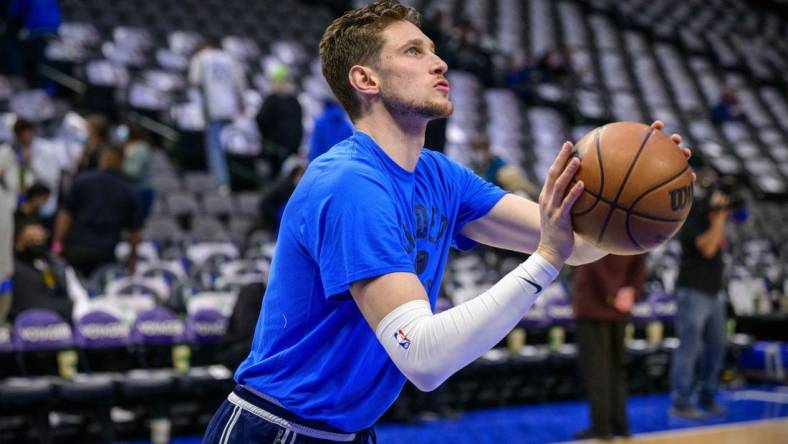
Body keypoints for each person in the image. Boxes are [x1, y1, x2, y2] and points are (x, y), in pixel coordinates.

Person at [202, 2, 689, 442]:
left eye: (434, 50)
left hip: (344, 432)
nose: (440, 63)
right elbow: (425, 359)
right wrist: (544, 262)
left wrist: (650, 206)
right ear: (366, 80)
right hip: (277, 429)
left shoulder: (440, 176)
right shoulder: (351, 183)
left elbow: (577, 242)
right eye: (414, 51)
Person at [669, 167, 730, 419]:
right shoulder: (692, 211)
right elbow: (706, 248)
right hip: (693, 290)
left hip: (714, 291)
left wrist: (722, 215)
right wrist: (719, 220)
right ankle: (681, 402)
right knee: (689, 347)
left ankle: (707, 395)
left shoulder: (713, 214)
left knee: (716, 346)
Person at [572, 254, 646, 440]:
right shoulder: (634, 225)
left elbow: (589, 259)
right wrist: (630, 292)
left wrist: (612, 295)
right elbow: (640, 262)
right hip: (621, 305)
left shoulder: (595, 225)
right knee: (616, 368)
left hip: (593, 305)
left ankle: (602, 428)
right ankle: (620, 425)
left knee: (597, 370)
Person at [52, 146, 143, 278]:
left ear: (103, 159)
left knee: (72, 290)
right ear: (122, 162)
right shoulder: (129, 191)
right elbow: (134, 232)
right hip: (105, 254)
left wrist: (56, 246)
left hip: (76, 249)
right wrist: (132, 258)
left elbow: (65, 216)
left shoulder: (83, 181)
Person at [189, 40, 246, 192]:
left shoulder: (201, 57)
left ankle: (221, 183)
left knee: (215, 147)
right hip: (230, 107)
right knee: (229, 146)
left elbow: (194, 81)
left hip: (213, 108)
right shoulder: (228, 57)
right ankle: (235, 182)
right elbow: (240, 84)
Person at [10, 221, 72, 322]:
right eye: (32, 240)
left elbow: (62, 289)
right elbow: (31, 303)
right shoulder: (13, 267)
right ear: (18, 238)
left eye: (40, 240)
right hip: (27, 319)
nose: (37, 242)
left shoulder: (48, 262)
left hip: (57, 315)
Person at [256, 65, 303, 177]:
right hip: (292, 147)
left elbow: (261, 120)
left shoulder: (271, 100)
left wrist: (267, 138)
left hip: (275, 148)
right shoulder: (294, 101)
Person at [257, 155, 306, 231]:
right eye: (300, 174)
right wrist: (277, 219)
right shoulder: (282, 188)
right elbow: (265, 204)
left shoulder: (299, 189)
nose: (302, 177)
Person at [122, 123, 154, 221]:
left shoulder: (141, 148)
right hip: (130, 191)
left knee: (135, 225)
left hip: (141, 192)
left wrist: (116, 168)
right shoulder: (127, 146)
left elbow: (135, 173)